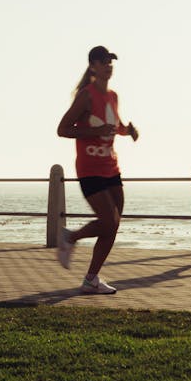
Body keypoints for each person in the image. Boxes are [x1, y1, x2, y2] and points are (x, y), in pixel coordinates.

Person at [56, 45, 138, 294]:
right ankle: (70, 238)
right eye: (104, 62)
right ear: (93, 66)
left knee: (113, 225)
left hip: (111, 167)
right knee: (108, 220)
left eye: (111, 62)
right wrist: (94, 131)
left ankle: (91, 279)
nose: (108, 66)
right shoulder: (86, 95)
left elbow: (116, 125)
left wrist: (128, 131)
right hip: (89, 168)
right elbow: (63, 129)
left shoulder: (113, 96)